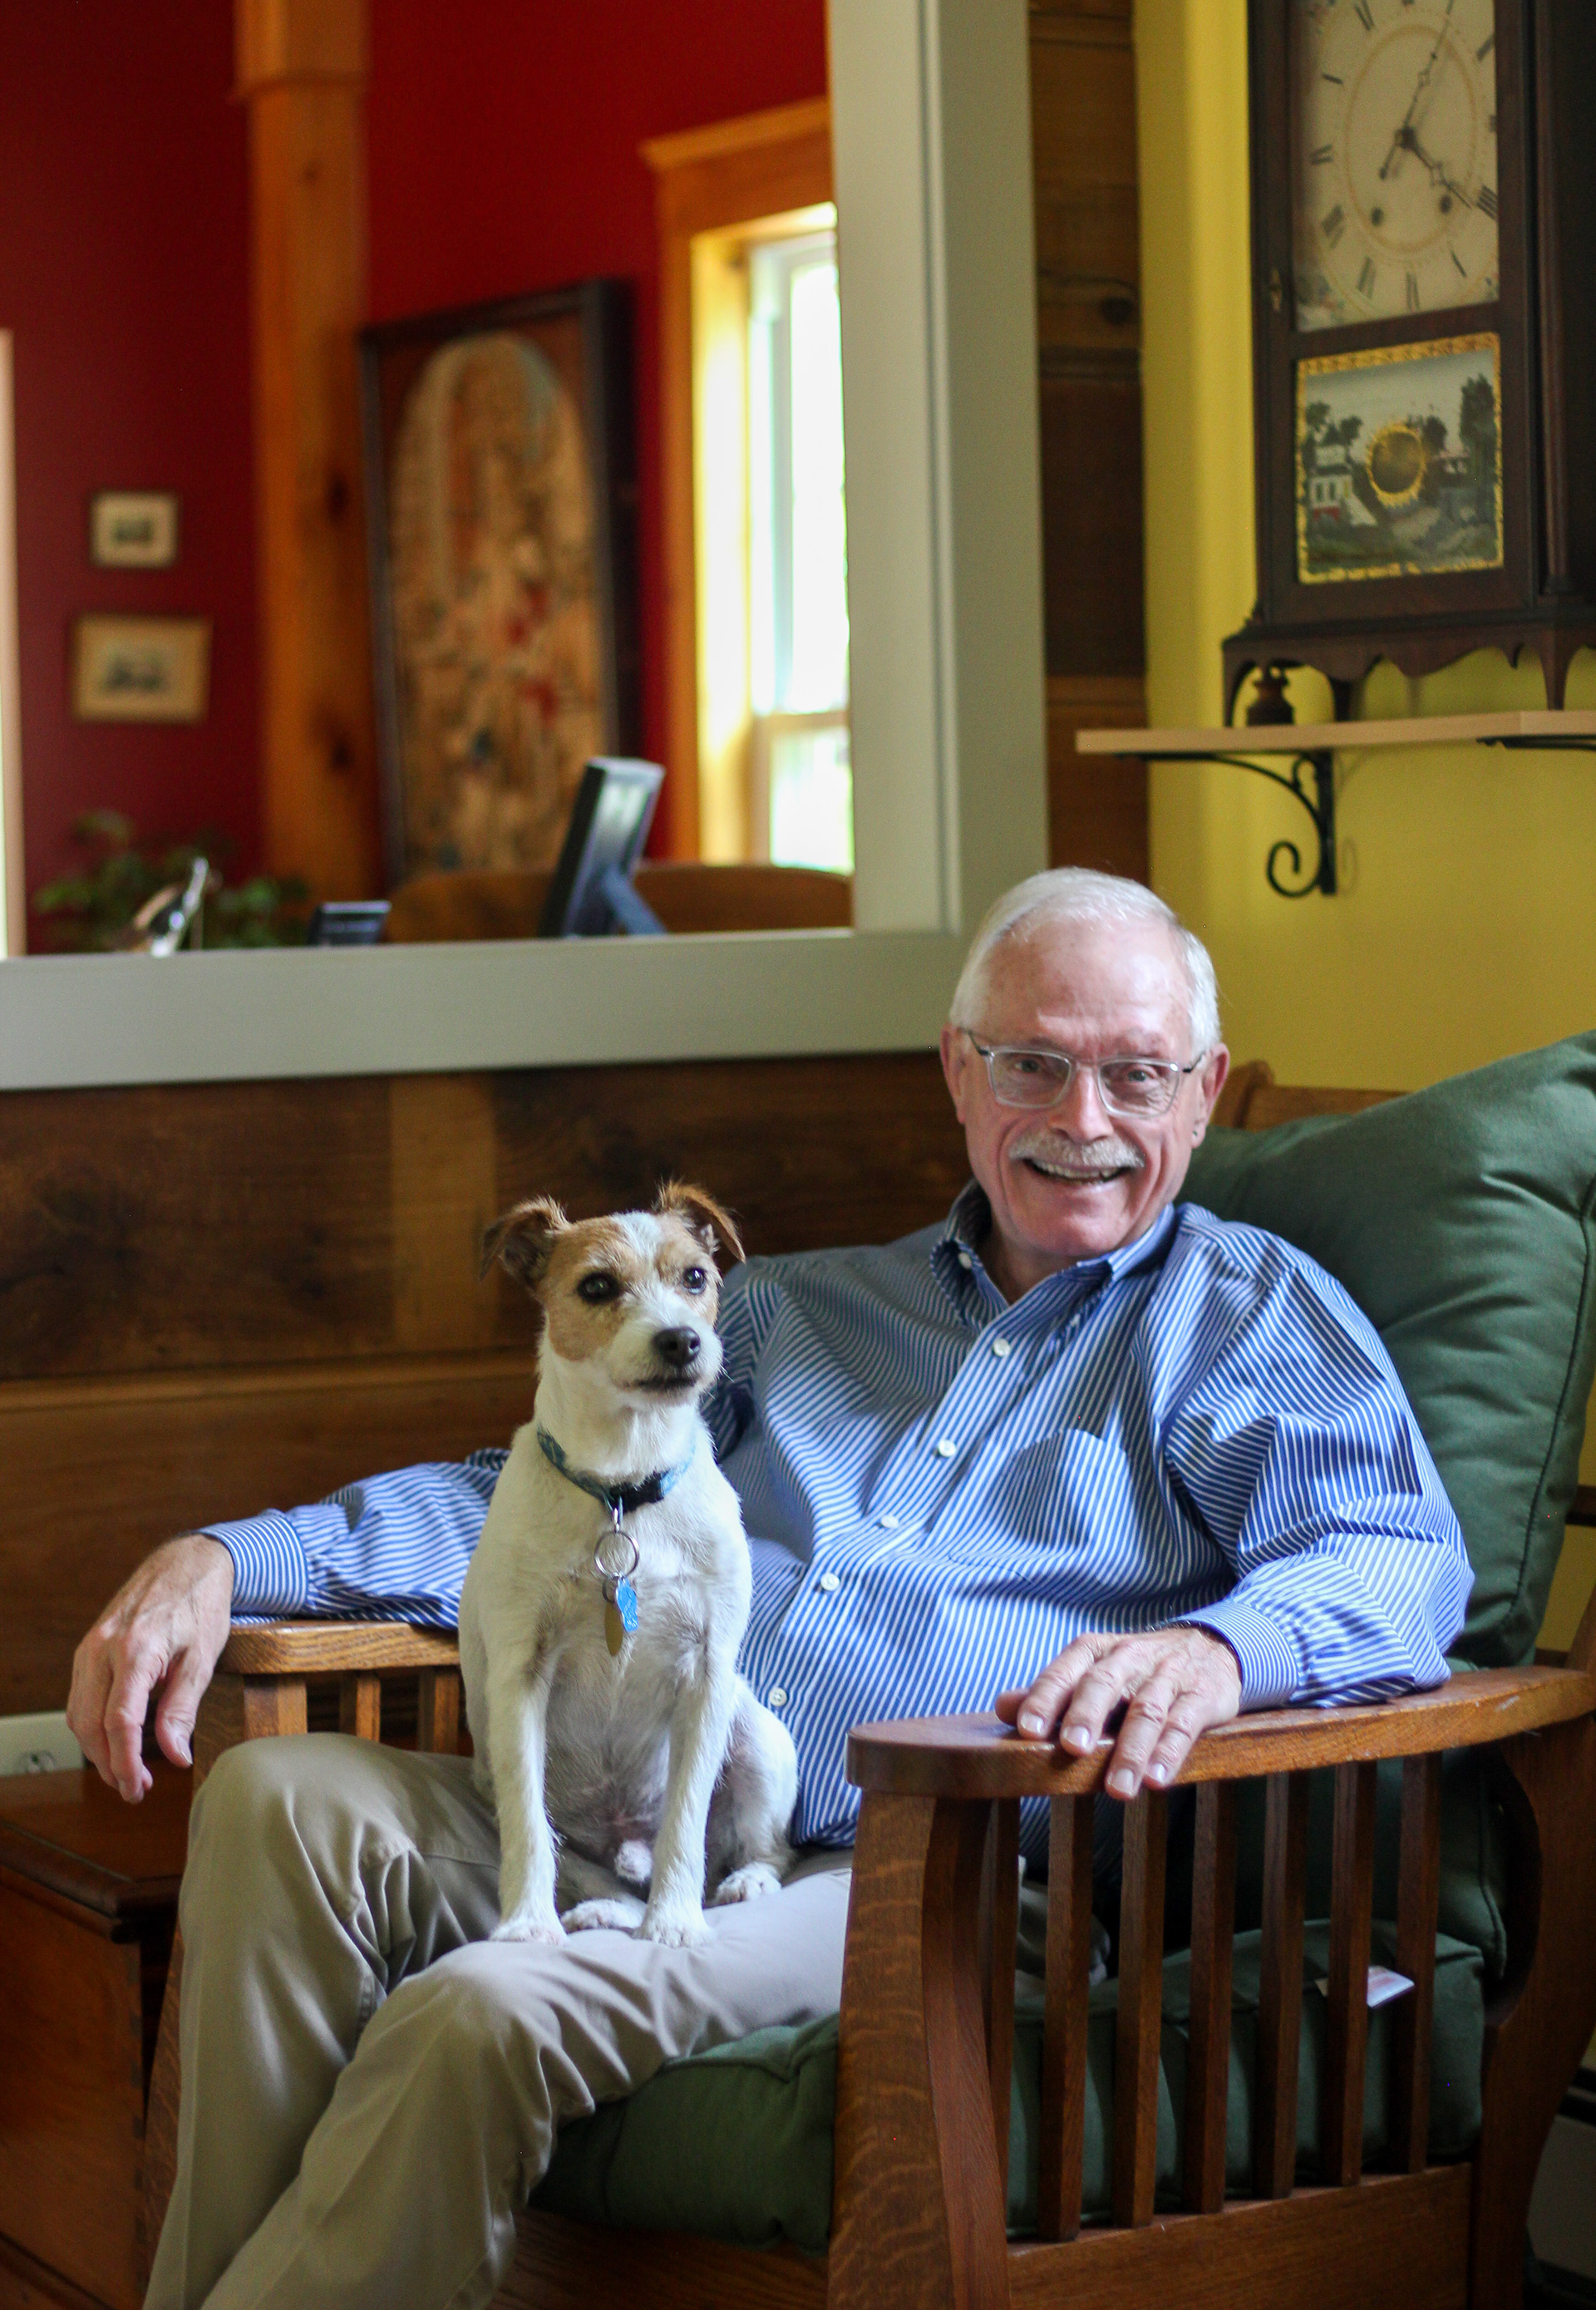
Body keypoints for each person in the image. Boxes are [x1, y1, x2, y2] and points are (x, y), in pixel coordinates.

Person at [70, 869, 1471, 2310]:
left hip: (929, 1874)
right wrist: (234, 1558)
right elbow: (530, 1508)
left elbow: (1399, 1559)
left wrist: (1218, 1652)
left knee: (473, 2012)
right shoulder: (793, 1311)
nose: (1084, 1119)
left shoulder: (1245, 1313)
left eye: (1137, 1074)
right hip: (642, 1803)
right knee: (275, 1803)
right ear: (959, 1070)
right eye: (1034, 1065)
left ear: (1204, 1088)